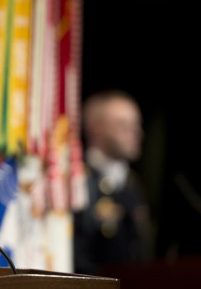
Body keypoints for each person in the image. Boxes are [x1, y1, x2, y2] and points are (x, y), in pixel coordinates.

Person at [74, 90, 150, 274]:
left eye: (136, 125)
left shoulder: (132, 183)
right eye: (124, 125)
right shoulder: (78, 179)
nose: (136, 133)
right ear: (96, 128)